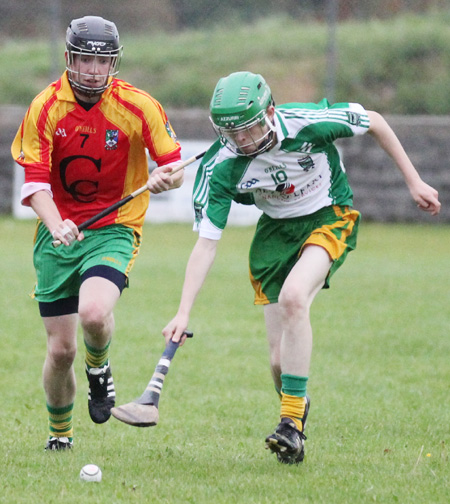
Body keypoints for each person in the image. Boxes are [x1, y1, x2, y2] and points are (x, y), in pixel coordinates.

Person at [162, 71, 441, 464]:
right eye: (230, 132)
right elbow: (206, 244)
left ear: (270, 112)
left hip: (328, 216)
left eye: (248, 129)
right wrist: (183, 310)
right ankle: (296, 414)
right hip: (274, 239)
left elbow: (375, 120)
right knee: (279, 362)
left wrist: (413, 182)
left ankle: (290, 424)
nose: (240, 140)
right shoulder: (220, 166)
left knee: (295, 298)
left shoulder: (307, 122)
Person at [11, 16, 184, 451]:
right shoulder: (46, 107)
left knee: (93, 313)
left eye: (101, 61)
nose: (93, 69)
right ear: (69, 59)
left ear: (114, 64)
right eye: (85, 59)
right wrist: (57, 224)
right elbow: (34, 184)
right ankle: (60, 433)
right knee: (60, 351)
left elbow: (174, 166)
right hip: (58, 234)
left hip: (114, 228)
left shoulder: (138, 106)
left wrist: (168, 178)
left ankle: (99, 369)